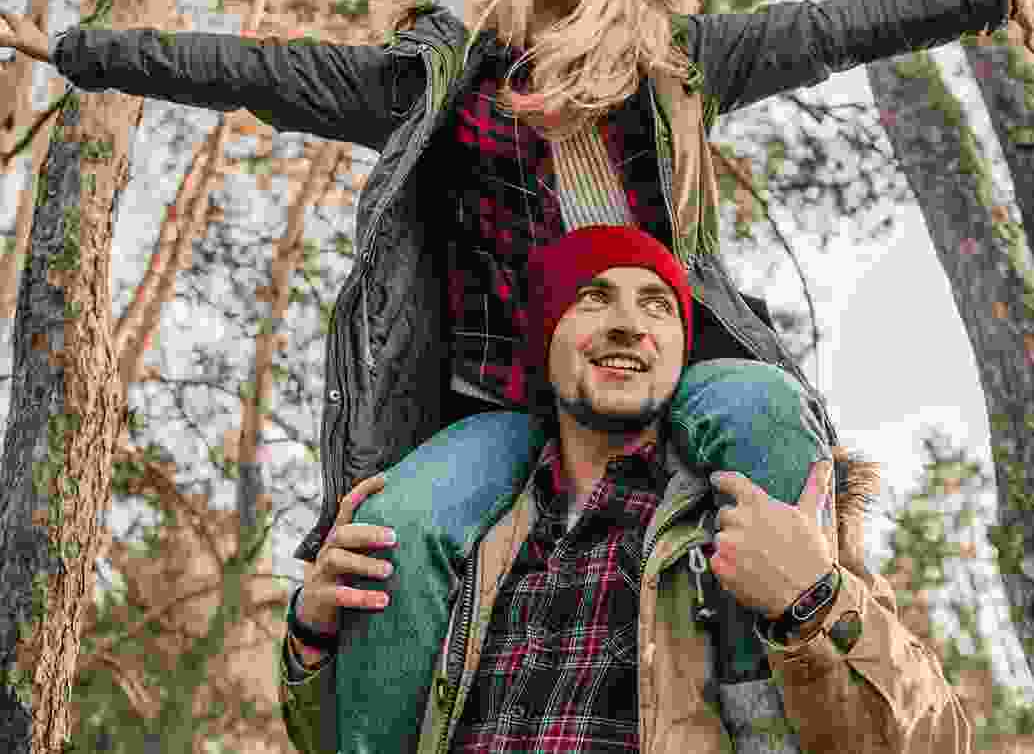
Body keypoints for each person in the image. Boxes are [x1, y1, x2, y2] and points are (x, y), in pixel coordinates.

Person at [1, 0, 1010, 752]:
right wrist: (83, 54)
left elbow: (834, 28)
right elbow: (256, 70)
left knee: (762, 413)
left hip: (670, 359)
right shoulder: (432, 83)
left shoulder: (675, 62)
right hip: (500, 399)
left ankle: (761, 709)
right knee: (395, 529)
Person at [282, 225, 970, 754]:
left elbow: (936, 739)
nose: (627, 323)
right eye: (592, 297)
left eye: (657, 306)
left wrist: (814, 600)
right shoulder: (460, 532)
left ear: (680, 348)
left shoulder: (759, 523)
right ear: (545, 343)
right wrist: (312, 639)